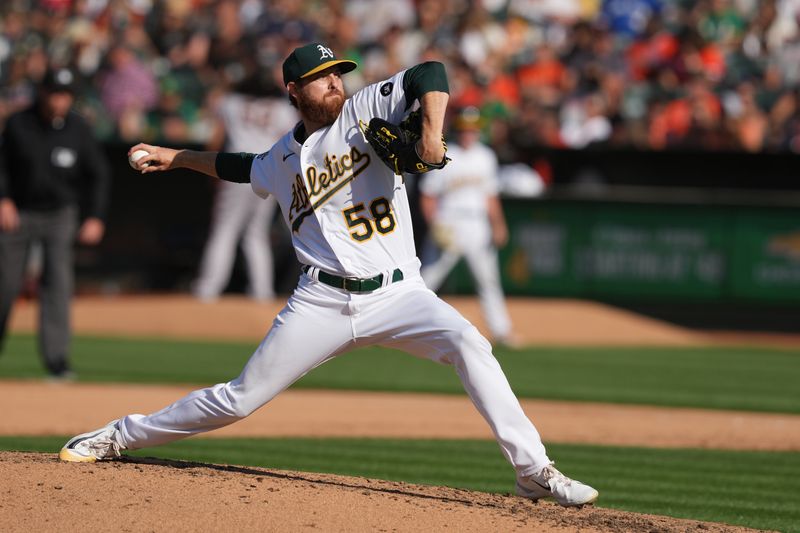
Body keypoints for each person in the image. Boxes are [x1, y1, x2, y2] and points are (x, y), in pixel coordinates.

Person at [58, 43, 598, 507]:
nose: (335, 83)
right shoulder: (279, 158)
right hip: (321, 302)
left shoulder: (363, 109)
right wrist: (175, 156)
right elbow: (237, 166)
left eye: (338, 73)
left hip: (401, 293)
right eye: (322, 78)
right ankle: (117, 434)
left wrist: (431, 132)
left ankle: (533, 470)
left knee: (469, 342)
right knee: (238, 399)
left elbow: (429, 72)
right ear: (294, 90)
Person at [0, 67, 111, 380]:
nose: (59, 100)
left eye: (65, 95)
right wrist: (3, 198)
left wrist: (95, 216)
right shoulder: (19, 123)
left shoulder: (78, 128)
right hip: (19, 212)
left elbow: (98, 174)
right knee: (5, 285)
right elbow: (2, 166)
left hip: (60, 214)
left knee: (57, 286)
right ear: (43, 92)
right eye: (54, 93)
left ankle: (57, 360)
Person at [191, 73, 298, 302]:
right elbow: (291, 144)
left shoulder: (231, 103)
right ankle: (262, 292)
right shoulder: (282, 108)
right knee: (256, 234)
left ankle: (207, 289)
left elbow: (215, 140)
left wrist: (213, 174)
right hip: (268, 171)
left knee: (225, 230)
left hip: (235, 170)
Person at [419, 107, 516, 346]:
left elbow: (490, 196)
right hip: (449, 221)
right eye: (465, 128)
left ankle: (501, 331)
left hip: (477, 223)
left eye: (473, 128)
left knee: (488, 280)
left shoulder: (486, 156)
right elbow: (427, 195)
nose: (469, 133)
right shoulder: (444, 152)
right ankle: (397, 326)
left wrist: (498, 225)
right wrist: (435, 225)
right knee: (427, 279)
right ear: (458, 129)